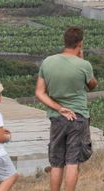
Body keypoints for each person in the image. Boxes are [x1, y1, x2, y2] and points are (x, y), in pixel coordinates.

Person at [35, 27, 97, 191]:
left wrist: (59, 108)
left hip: (56, 118)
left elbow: (39, 92)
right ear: (80, 43)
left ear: (65, 42)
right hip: (78, 117)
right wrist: (82, 60)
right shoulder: (84, 65)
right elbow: (92, 85)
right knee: (72, 161)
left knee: (56, 163)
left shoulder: (47, 62)